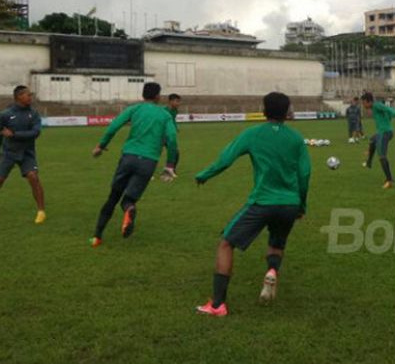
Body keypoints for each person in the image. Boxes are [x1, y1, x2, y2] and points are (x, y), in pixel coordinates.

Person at [194, 92, 311, 316]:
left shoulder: (253, 134)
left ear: (264, 110)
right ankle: (272, 271)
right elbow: (305, 174)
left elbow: (226, 158)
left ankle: (218, 305)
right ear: (287, 112)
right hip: (289, 204)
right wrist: (301, 205)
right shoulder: (296, 138)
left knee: (226, 244)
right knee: (277, 244)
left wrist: (204, 175)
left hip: (262, 202)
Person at [90, 82, 178, 247]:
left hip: (128, 157)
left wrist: (101, 146)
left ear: (143, 95)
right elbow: (172, 140)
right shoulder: (165, 115)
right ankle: (129, 209)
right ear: (158, 96)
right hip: (148, 161)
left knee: (112, 198)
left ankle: (97, 236)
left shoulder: (135, 109)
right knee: (128, 200)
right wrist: (170, 165)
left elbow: (114, 126)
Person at [0, 86, 45, 226]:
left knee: (33, 177)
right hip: (9, 153)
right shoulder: (6, 114)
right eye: (28, 95)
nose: (30, 97)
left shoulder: (34, 113)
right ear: (19, 96)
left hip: (27, 153)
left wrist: (14, 134)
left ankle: (41, 211)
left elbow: (36, 133)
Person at [361, 92, 395, 189]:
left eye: (364, 103)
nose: (363, 105)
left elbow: (388, 109)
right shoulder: (375, 107)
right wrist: (388, 118)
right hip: (382, 132)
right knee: (372, 140)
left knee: (382, 157)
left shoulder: (377, 106)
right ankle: (369, 162)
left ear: (369, 101)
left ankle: (389, 180)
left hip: (385, 133)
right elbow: (386, 112)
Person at [162, 93, 181, 178]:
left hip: (169, 135)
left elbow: (172, 120)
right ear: (170, 101)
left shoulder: (175, 110)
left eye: (179, 101)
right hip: (160, 135)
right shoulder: (164, 111)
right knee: (153, 153)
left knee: (175, 152)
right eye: (176, 101)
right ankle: (146, 172)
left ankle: (171, 169)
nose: (178, 103)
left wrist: (175, 127)